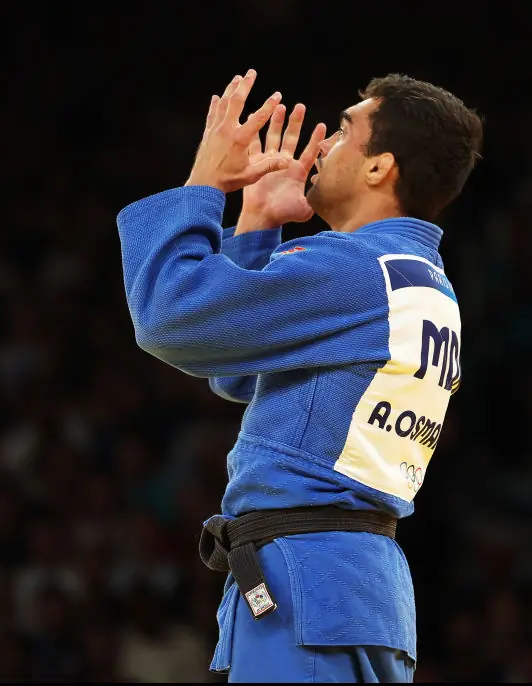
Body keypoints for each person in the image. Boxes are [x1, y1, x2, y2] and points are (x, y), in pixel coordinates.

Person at [116, 69, 483, 682]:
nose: (324, 146)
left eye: (343, 132)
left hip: (305, 582)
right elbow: (234, 368)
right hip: (358, 594)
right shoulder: (421, 281)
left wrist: (204, 183)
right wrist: (257, 221)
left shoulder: (355, 269)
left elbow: (172, 319)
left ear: (378, 168)